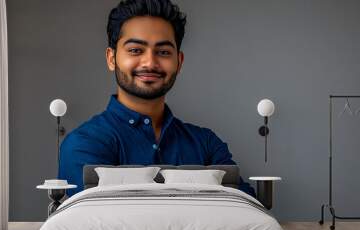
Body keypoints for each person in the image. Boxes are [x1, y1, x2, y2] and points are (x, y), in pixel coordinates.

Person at [59, 0, 255, 197]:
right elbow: (93, 222)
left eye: (163, 52)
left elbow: (247, 210)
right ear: (112, 58)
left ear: (179, 62)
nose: (150, 62)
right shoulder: (84, 144)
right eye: (135, 50)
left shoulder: (207, 144)